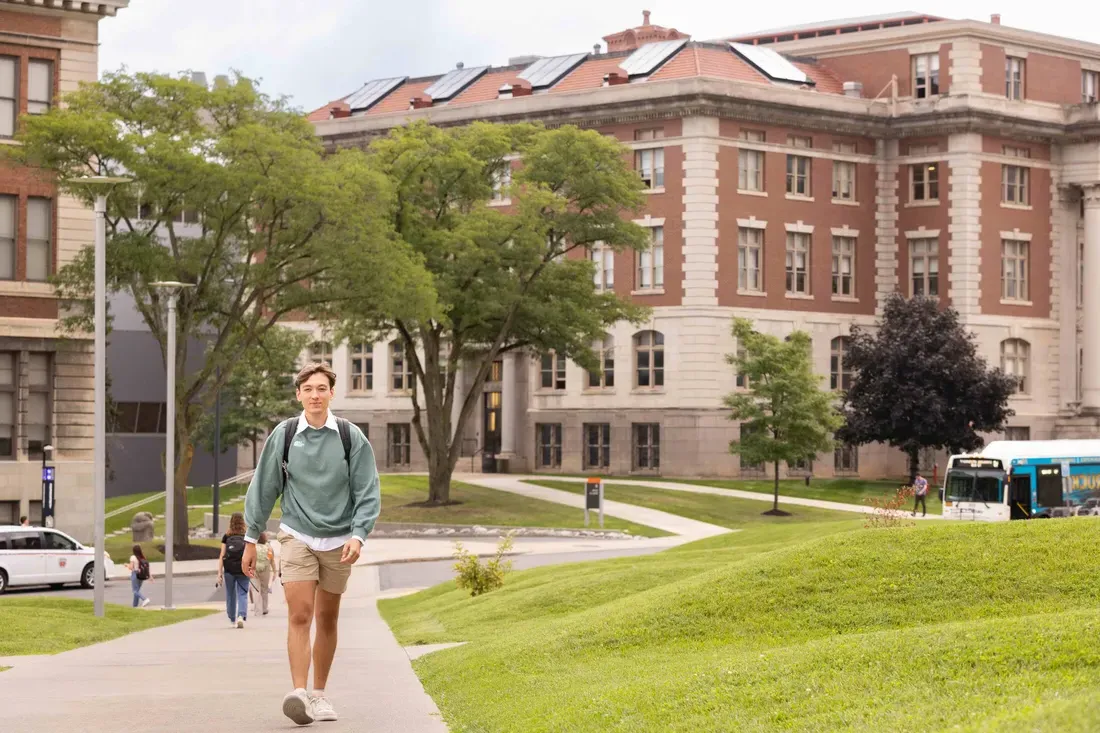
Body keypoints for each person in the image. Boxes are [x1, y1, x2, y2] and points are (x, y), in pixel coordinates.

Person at [243, 362, 380, 725]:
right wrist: (250, 539)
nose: (315, 395)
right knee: (300, 612)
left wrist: (358, 534)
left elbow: (367, 491)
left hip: (339, 539)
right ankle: (299, 693)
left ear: (332, 393)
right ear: (299, 394)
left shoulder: (350, 437)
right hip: (297, 534)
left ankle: (319, 694)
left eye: (322, 388)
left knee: (327, 617)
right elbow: (264, 487)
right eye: (309, 389)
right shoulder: (285, 435)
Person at [218, 512, 250, 629]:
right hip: (243, 568)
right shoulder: (246, 535)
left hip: (229, 570)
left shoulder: (226, 536)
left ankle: (232, 618)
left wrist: (219, 573)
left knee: (230, 594)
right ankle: (241, 615)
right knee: (242, 593)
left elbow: (222, 555)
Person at [253, 531, 276, 616]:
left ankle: (257, 609)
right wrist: (274, 571)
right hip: (265, 570)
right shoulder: (269, 547)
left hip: (255, 569)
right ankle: (264, 608)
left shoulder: (254, 547)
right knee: (264, 589)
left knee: (256, 589)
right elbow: (272, 560)